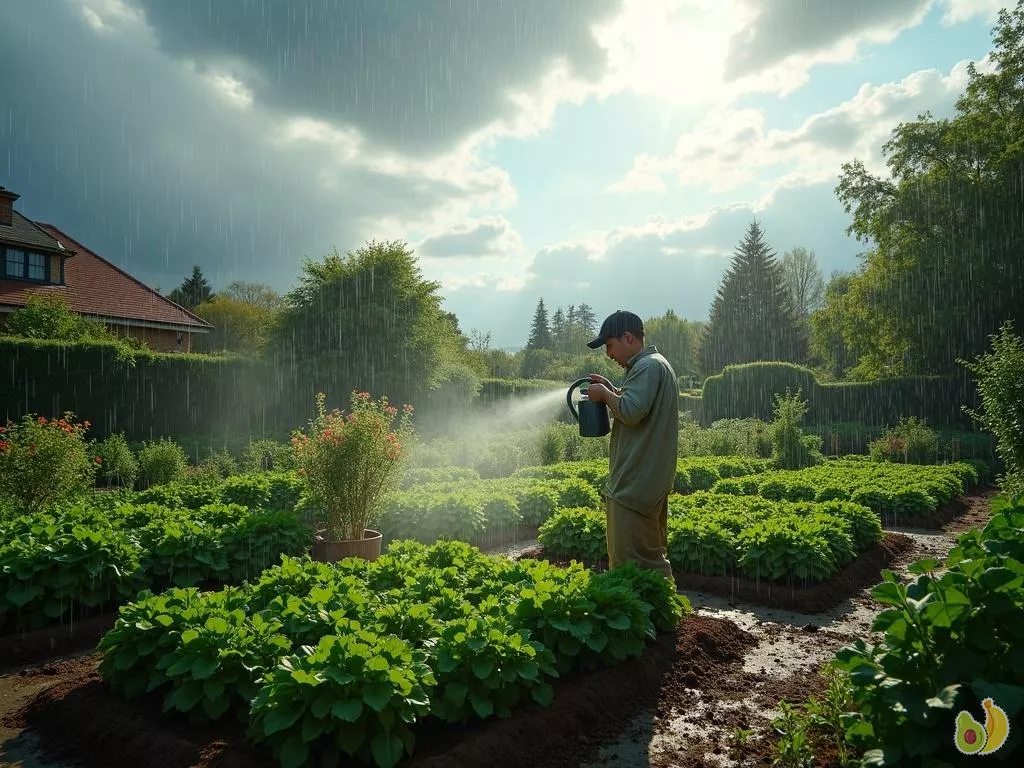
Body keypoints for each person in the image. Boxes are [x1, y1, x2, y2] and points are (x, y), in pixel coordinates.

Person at [583, 310, 678, 581]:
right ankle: (661, 613)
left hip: (635, 483)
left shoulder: (647, 366)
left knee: (631, 561)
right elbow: (636, 405)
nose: (608, 354)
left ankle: (650, 618)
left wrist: (604, 395)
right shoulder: (654, 365)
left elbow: (632, 411)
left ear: (627, 338)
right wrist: (613, 391)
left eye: (610, 346)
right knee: (648, 553)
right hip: (648, 479)